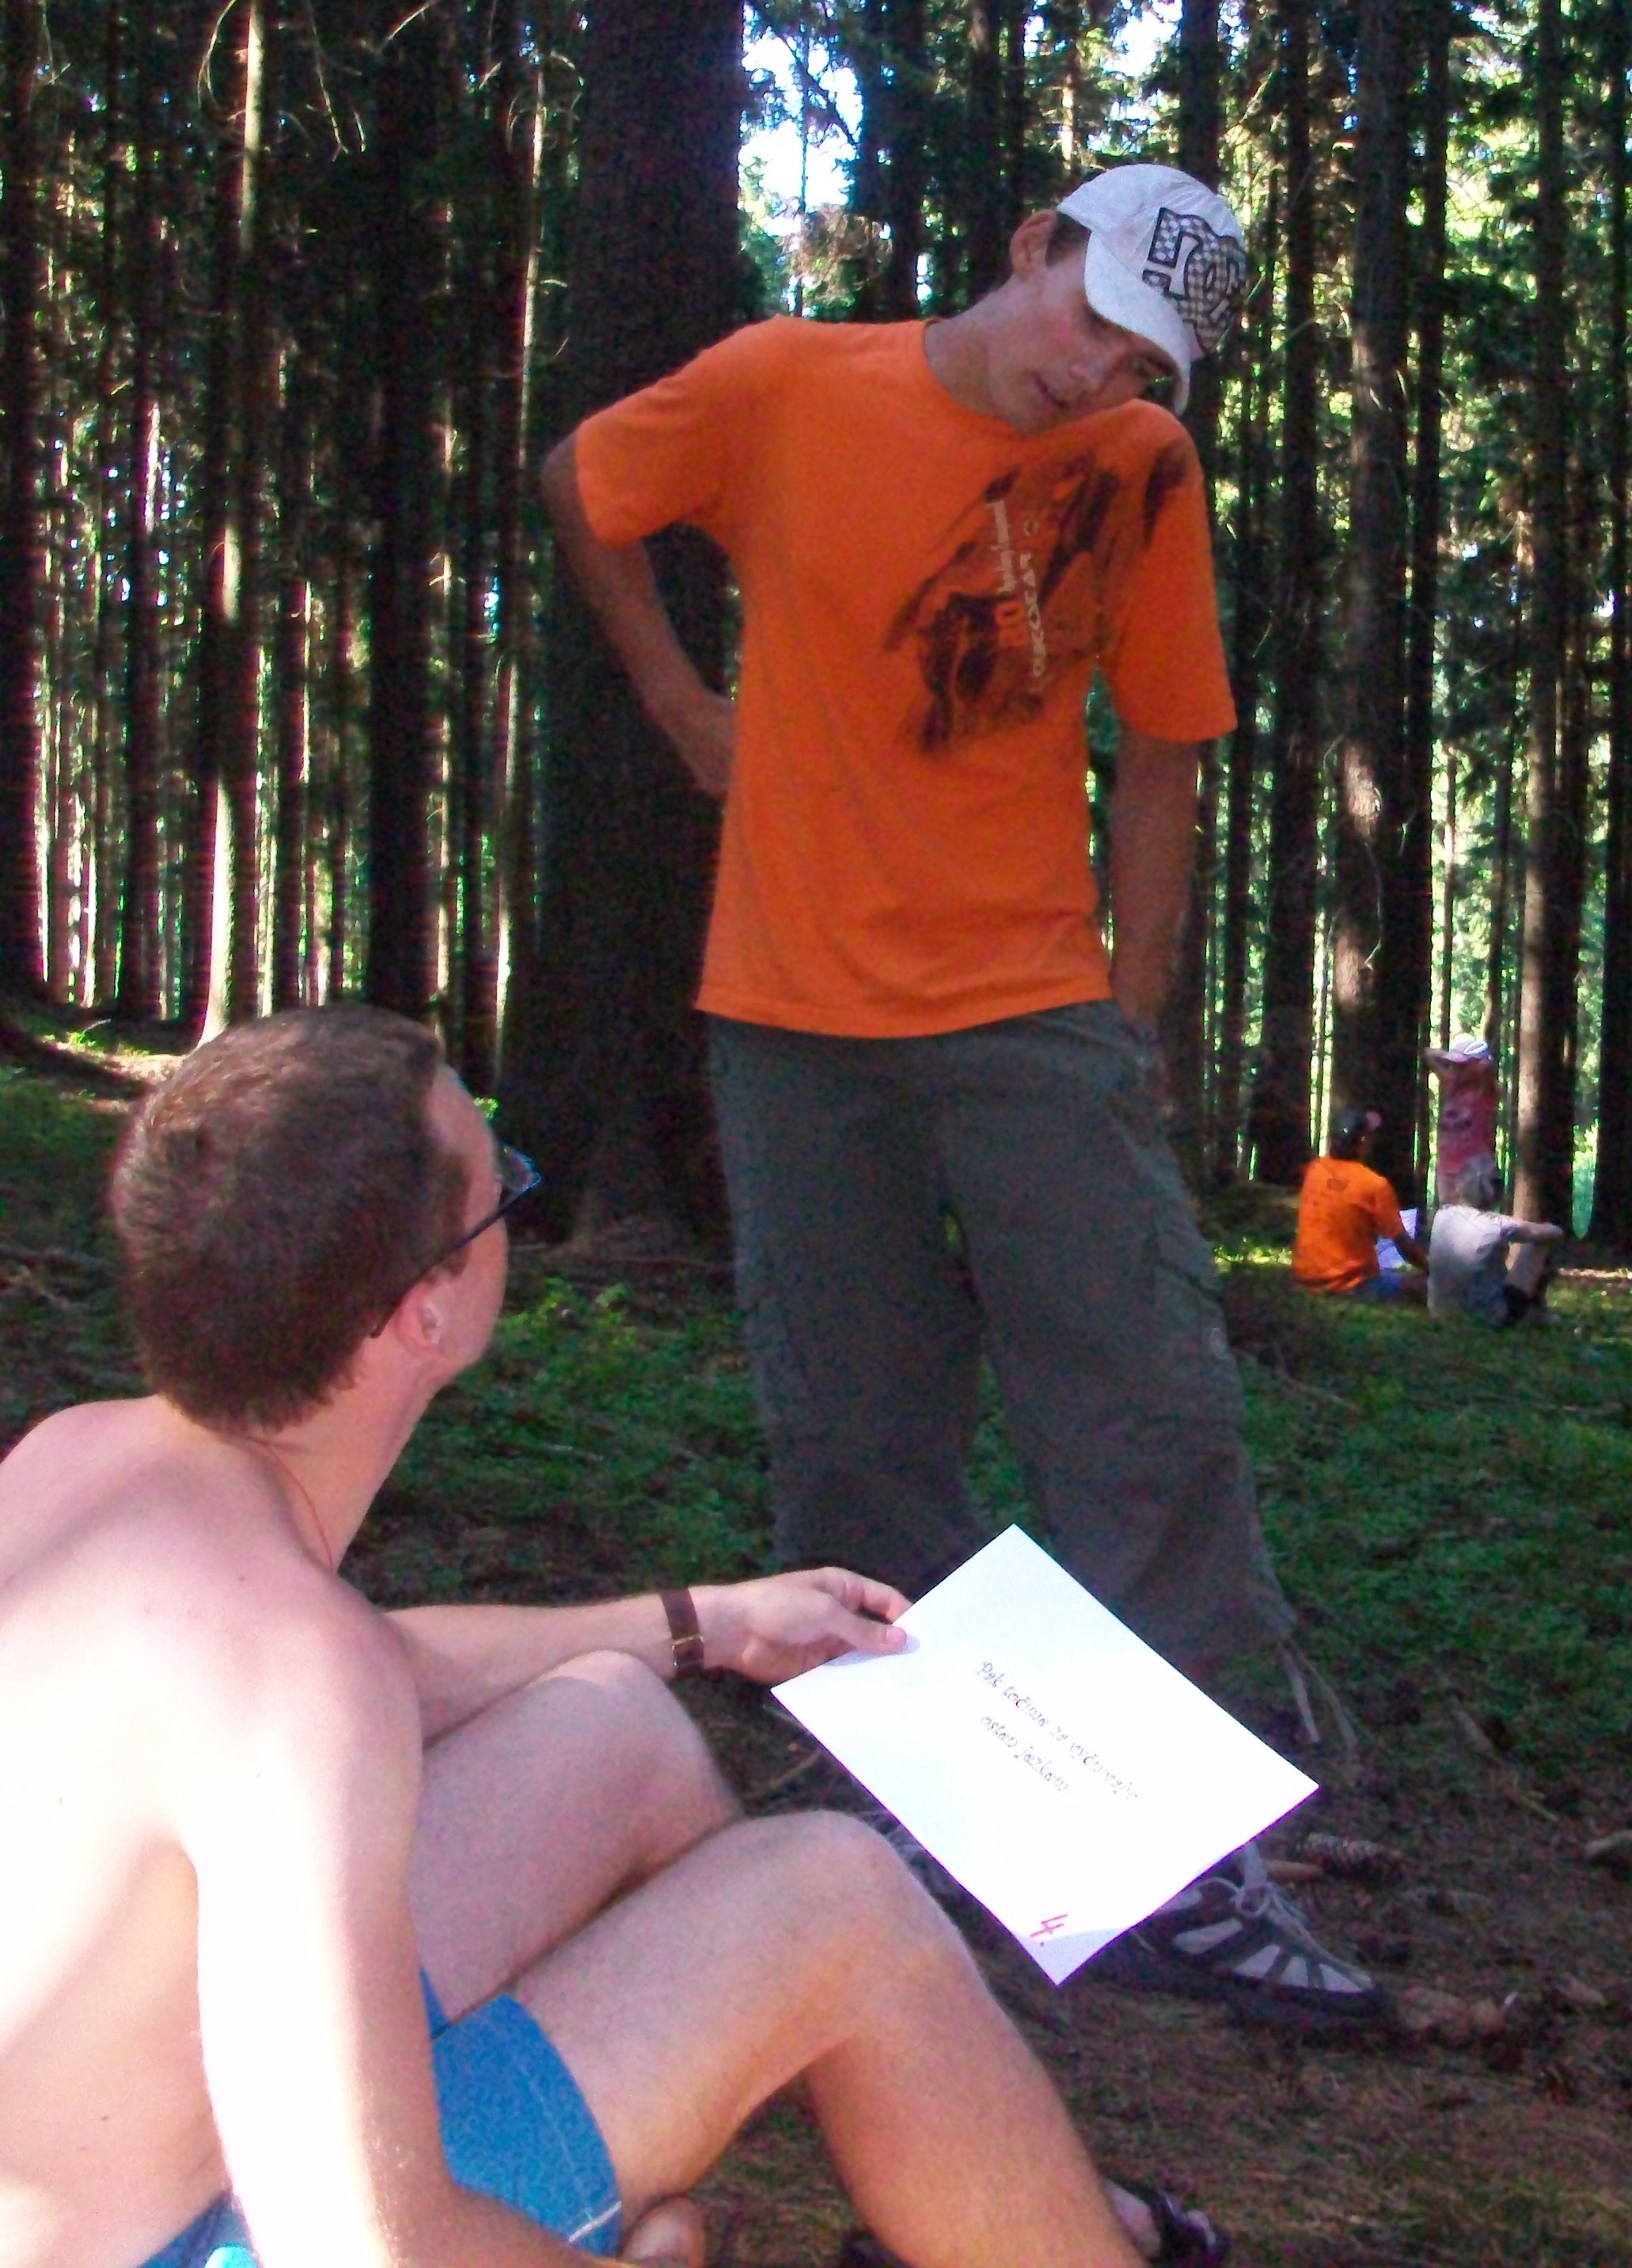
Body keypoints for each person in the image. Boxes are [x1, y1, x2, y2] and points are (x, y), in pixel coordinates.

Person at [540, 160, 1380, 2027]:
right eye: (1091, 320)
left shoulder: (1137, 466)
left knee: (1145, 1414)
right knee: (853, 1439)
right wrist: (678, 703)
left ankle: (1193, 1866)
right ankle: (926, 1823)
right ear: (1028, 248)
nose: (1094, 372)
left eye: (1140, 359)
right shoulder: (785, 384)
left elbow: (1162, 750)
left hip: (1028, 1005)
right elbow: (585, 482)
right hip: (790, 1012)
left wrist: (1127, 1018)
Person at [0, 1004, 1240, 2268]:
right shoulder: (295, 1680)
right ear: (426, 1310)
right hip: (204, 2239)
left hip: (134, 2143)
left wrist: (704, 1625)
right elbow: (357, 2244)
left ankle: (970, 2175)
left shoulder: (76, 1464)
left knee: (619, 1729)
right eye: (502, 1187)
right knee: (841, 1897)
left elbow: (349, 1683)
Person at [1291, 1107, 1429, 1302]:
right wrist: (1430, 1269)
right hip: (1353, 1284)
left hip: (1306, 1279)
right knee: (1423, 1287)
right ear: (1363, 1143)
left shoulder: (1314, 1170)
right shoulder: (1374, 1185)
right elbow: (1403, 1244)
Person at [1427, 1152, 1564, 1326]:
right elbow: (1555, 1232)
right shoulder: (1500, 1226)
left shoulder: (1442, 1215)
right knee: (1540, 1243)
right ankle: (1537, 1311)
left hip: (1440, 1311)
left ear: (1460, 1187)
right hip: (1489, 1318)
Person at [1424, 1034, 1500, 1207]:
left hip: (1474, 1172)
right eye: (1454, 1066)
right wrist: (1452, 1056)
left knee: (1472, 1215)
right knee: (1450, 1213)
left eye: (1462, 1066)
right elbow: (1429, 1054)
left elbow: (1488, 1071)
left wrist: (1478, 1061)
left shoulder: (1486, 1093)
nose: (1457, 1070)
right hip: (1446, 1168)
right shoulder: (1451, 1085)